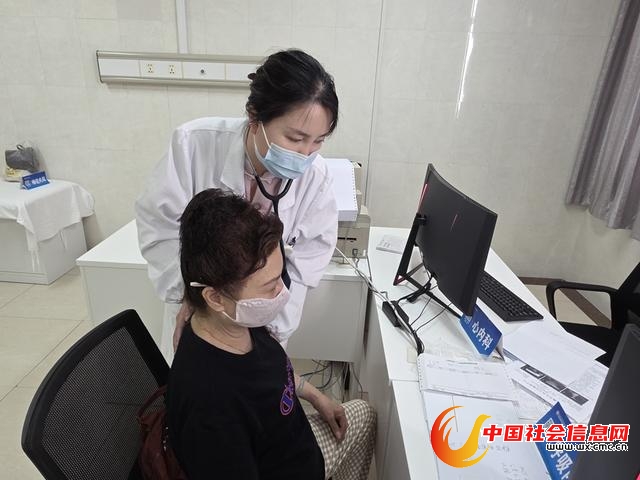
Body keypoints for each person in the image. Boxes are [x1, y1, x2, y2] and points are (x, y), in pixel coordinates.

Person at [135, 49, 339, 362]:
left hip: (265, 320)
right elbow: (158, 226)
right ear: (255, 117)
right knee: (197, 384)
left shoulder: (316, 177)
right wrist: (191, 298)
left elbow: (308, 262)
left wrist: (274, 330)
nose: (305, 154)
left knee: (256, 385)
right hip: (202, 315)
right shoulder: (193, 145)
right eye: (295, 138)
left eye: (318, 141)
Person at [167, 188, 375, 479]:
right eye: (270, 286)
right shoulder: (211, 410)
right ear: (215, 297)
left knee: (365, 416)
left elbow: (267, 373)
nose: (282, 291)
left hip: (296, 447)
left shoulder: (237, 322)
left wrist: (316, 396)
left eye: (280, 276)